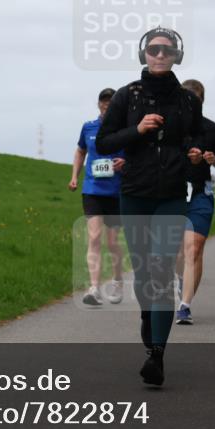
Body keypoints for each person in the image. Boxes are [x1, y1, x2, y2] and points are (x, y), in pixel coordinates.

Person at [97, 27, 202, 386]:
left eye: (167, 50)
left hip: (172, 194)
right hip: (135, 193)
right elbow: (104, 141)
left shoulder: (189, 101)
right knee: (144, 274)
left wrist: (194, 155)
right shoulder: (128, 96)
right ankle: (148, 314)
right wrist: (137, 130)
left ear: (177, 56)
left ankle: (156, 354)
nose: (160, 55)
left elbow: (196, 138)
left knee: (159, 271)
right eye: (154, 49)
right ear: (144, 54)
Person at [174, 79, 215, 325]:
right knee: (177, 254)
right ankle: (183, 281)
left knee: (193, 248)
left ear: (201, 102)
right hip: (172, 192)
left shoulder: (212, 129)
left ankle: (185, 306)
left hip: (200, 193)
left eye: (193, 99)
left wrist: (212, 158)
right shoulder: (170, 127)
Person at [69, 88, 127, 306]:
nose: (106, 105)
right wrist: (74, 176)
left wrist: (125, 164)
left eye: (111, 102)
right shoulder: (88, 127)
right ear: (98, 104)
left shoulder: (124, 129)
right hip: (92, 189)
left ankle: (118, 280)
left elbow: (133, 155)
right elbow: (80, 151)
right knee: (94, 237)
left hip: (116, 191)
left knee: (112, 242)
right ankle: (94, 287)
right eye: (103, 101)